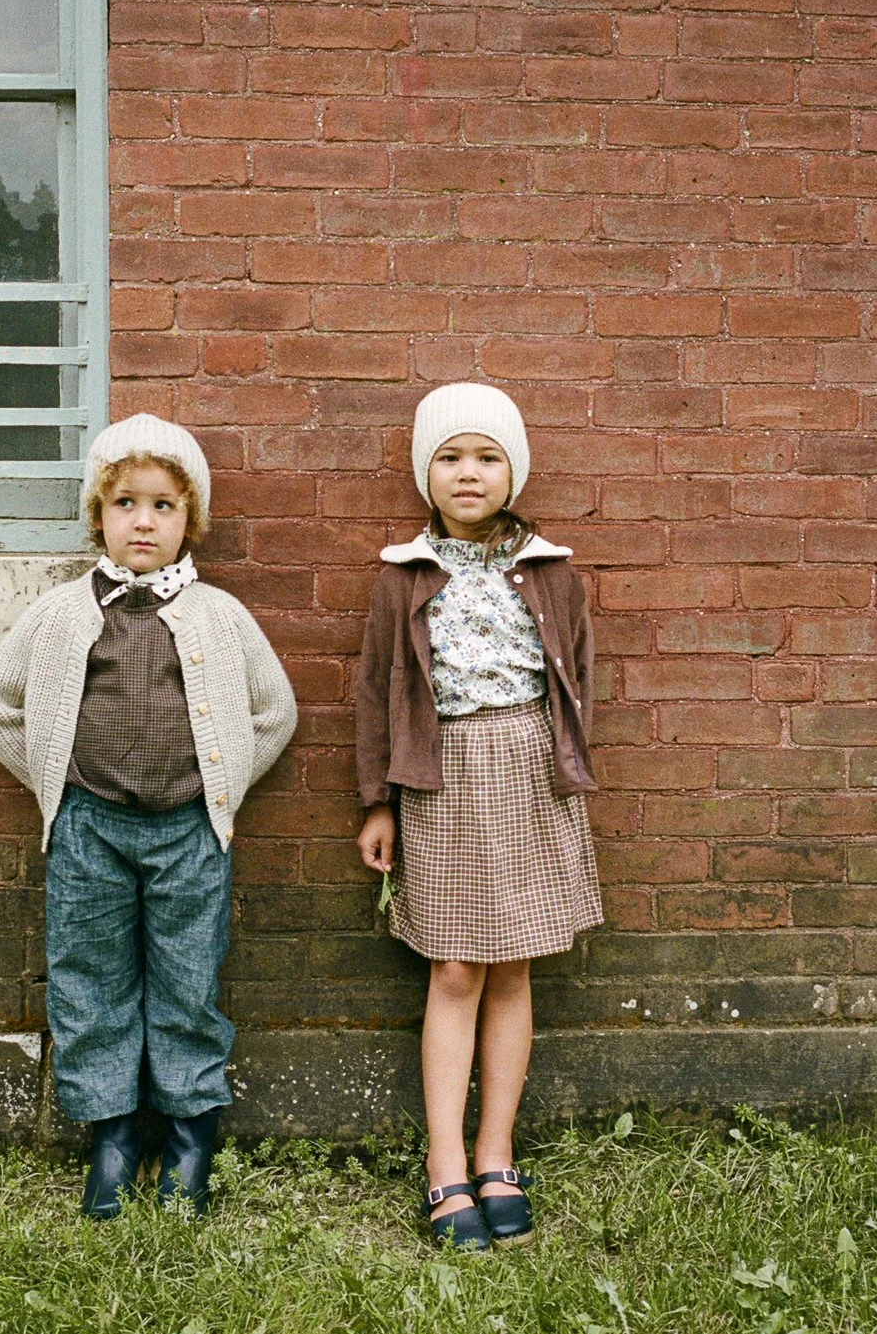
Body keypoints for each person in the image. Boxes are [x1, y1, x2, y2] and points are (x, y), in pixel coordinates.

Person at [0, 413, 297, 1218]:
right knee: (90, 980)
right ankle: (112, 1135)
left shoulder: (219, 615)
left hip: (190, 831)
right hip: (89, 829)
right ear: (98, 515)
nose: (142, 521)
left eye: (162, 505)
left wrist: (220, 788)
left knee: (188, 981)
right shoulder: (61, 613)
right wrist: (58, 782)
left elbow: (274, 711)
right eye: (124, 503)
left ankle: (189, 1135)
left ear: (191, 520)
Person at [354, 382, 601, 1251]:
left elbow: (578, 680)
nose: (469, 472)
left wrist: (563, 764)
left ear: (513, 470)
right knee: (456, 967)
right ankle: (446, 1160)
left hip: (529, 771)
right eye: (450, 456)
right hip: (442, 775)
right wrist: (378, 801)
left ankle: (498, 1151)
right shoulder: (403, 576)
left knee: (514, 964)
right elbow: (376, 694)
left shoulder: (552, 571)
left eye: (488, 457)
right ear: (426, 473)